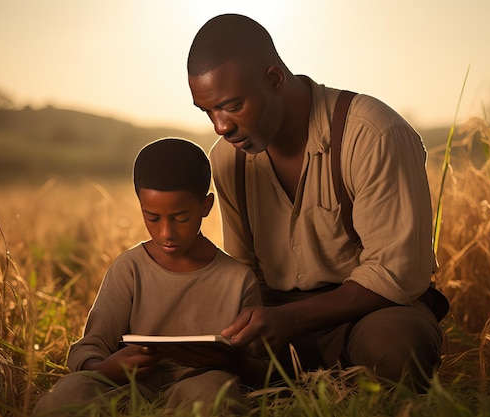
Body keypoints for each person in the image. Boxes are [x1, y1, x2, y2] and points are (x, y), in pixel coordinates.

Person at [186, 14, 448, 391]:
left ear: (274, 79)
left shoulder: (372, 133)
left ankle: (313, 377)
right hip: (278, 315)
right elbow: (244, 269)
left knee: (395, 347)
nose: (220, 126)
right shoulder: (228, 160)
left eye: (231, 105)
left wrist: (291, 321)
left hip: (371, 311)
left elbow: (396, 273)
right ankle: (306, 378)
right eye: (208, 112)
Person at [32, 138, 265, 416]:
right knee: (69, 393)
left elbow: (260, 365)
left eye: (180, 218)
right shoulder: (129, 268)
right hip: (129, 387)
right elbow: (90, 346)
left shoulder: (238, 280)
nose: (166, 233)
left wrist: (228, 362)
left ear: (205, 206)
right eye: (152, 217)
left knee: (215, 391)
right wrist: (105, 368)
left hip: (200, 386)